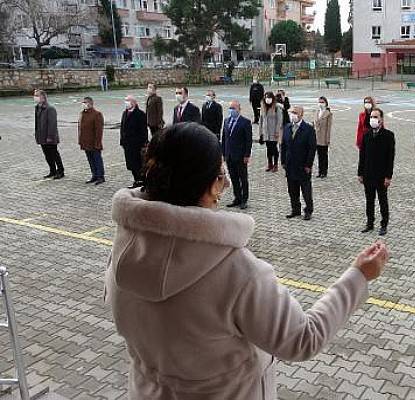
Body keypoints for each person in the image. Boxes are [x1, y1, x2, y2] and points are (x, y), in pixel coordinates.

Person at [105, 121, 389, 400]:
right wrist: (357, 277)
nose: (225, 183)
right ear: (211, 187)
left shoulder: (124, 248)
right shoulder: (238, 271)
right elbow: (303, 339)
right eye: (220, 175)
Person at [358, 108, 395, 236]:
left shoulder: (388, 136)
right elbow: (362, 155)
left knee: (382, 200)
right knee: (369, 200)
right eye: (371, 117)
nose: (373, 119)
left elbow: (390, 158)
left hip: (381, 175)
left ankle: (384, 224)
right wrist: (360, 173)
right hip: (368, 174)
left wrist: (388, 176)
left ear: (381, 119)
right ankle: (369, 223)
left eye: (375, 117)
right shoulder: (366, 134)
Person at [281, 106, 316, 220]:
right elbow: (283, 146)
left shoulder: (309, 129)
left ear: (301, 114)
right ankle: (295, 209)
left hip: (303, 165)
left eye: (295, 113)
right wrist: (283, 161)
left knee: (306, 190)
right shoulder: (287, 127)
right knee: (292, 190)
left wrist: (308, 165)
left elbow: (312, 149)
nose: (293, 114)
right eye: (292, 112)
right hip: (290, 165)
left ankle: (308, 210)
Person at [222, 100, 252, 209]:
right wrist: (224, 153)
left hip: (240, 156)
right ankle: (237, 198)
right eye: (230, 108)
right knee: (234, 178)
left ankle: (244, 199)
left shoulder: (245, 122)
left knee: (243, 178)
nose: (232, 110)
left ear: (239, 109)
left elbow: (248, 140)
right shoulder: (226, 121)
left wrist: (247, 155)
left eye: (234, 108)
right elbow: (224, 138)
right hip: (229, 155)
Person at [34, 89, 64, 179]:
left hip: (50, 137)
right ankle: (52, 170)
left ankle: (61, 171)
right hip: (41, 136)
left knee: (54, 154)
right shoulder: (37, 107)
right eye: (35, 95)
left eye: (37, 96)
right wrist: (37, 134)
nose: (35, 97)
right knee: (47, 155)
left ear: (43, 97)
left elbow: (52, 124)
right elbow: (37, 123)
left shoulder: (50, 109)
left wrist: (50, 137)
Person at [120, 95, 149, 189]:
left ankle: (142, 181)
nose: (126, 102)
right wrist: (122, 141)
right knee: (131, 164)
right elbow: (122, 128)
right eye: (125, 100)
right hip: (127, 144)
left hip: (137, 145)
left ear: (134, 102)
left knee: (138, 165)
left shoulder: (140, 114)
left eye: (128, 100)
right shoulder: (125, 113)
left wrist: (142, 144)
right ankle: (136, 180)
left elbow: (143, 131)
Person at [78, 96, 106, 185]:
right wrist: (80, 140)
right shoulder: (82, 114)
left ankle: (100, 176)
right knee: (90, 159)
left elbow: (99, 131)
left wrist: (97, 143)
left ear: (90, 104)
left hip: (94, 142)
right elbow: (80, 128)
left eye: (85, 103)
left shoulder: (97, 114)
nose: (83, 104)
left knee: (97, 159)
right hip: (85, 142)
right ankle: (94, 174)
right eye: (83, 103)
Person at [259, 91, 284, 172]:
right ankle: (270, 164)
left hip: (273, 132)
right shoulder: (263, 107)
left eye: (269, 98)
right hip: (266, 132)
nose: (268, 99)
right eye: (266, 98)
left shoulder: (277, 108)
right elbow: (261, 120)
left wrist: (277, 131)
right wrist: (260, 133)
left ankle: (276, 164)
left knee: (274, 148)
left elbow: (279, 121)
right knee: (268, 149)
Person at [313, 96, 333, 178]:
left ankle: (324, 172)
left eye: (322, 102)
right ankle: (320, 171)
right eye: (319, 102)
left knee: (324, 155)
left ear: (325, 103)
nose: (320, 103)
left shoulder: (328, 114)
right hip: (317, 137)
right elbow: (314, 123)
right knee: (319, 155)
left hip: (324, 137)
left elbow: (329, 128)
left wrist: (327, 139)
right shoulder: (317, 112)